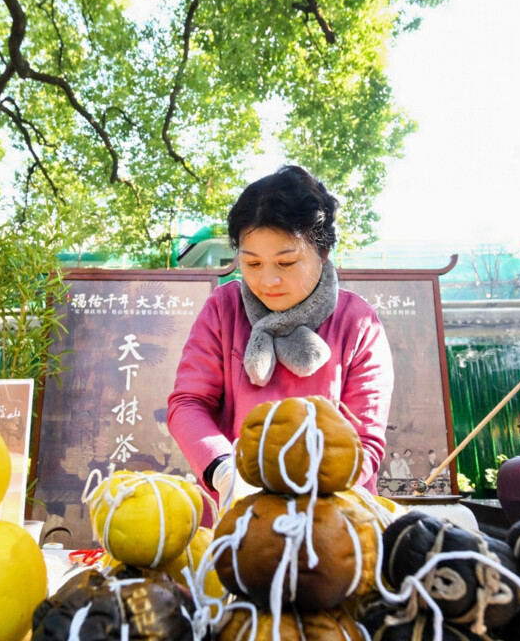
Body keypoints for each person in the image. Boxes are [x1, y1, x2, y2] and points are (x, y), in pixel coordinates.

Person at [167, 165, 395, 508]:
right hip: (240, 513)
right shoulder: (223, 310)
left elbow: (365, 441)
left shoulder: (358, 324)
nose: (268, 281)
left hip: (336, 515)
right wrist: (224, 471)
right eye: (253, 264)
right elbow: (188, 403)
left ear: (323, 253)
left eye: (286, 263)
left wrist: (304, 492)